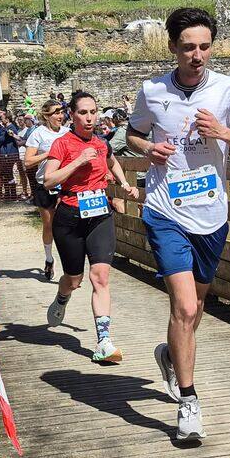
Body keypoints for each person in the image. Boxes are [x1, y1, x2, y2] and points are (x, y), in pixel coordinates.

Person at [126, 8, 230, 441]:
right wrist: (148, 148)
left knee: (196, 307)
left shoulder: (228, 89)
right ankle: (189, 402)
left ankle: (171, 354)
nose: (197, 55)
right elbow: (132, 134)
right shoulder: (152, 91)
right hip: (165, 210)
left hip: (211, 214)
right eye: (188, 47)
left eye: (204, 46)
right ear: (173, 47)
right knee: (184, 307)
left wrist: (223, 132)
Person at [43, 90, 139, 363]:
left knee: (100, 277)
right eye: (83, 112)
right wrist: (78, 161)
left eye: (93, 112)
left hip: (99, 216)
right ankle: (62, 297)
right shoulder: (62, 144)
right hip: (70, 217)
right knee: (74, 279)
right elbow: (48, 181)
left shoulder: (101, 143)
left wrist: (123, 183)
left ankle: (104, 341)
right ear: (72, 115)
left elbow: (112, 161)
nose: (89, 118)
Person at [25, 100, 69, 280]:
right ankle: (49, 258)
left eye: (61, 112)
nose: (60, 116)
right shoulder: (38, 133)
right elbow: (28, 161)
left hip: (65, 184)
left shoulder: (68, 132)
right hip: (45, 185)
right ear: (46, 116)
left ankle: (70, 266)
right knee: (49, 225)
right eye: (56, 113)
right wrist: (49, 154)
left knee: (67, 226)